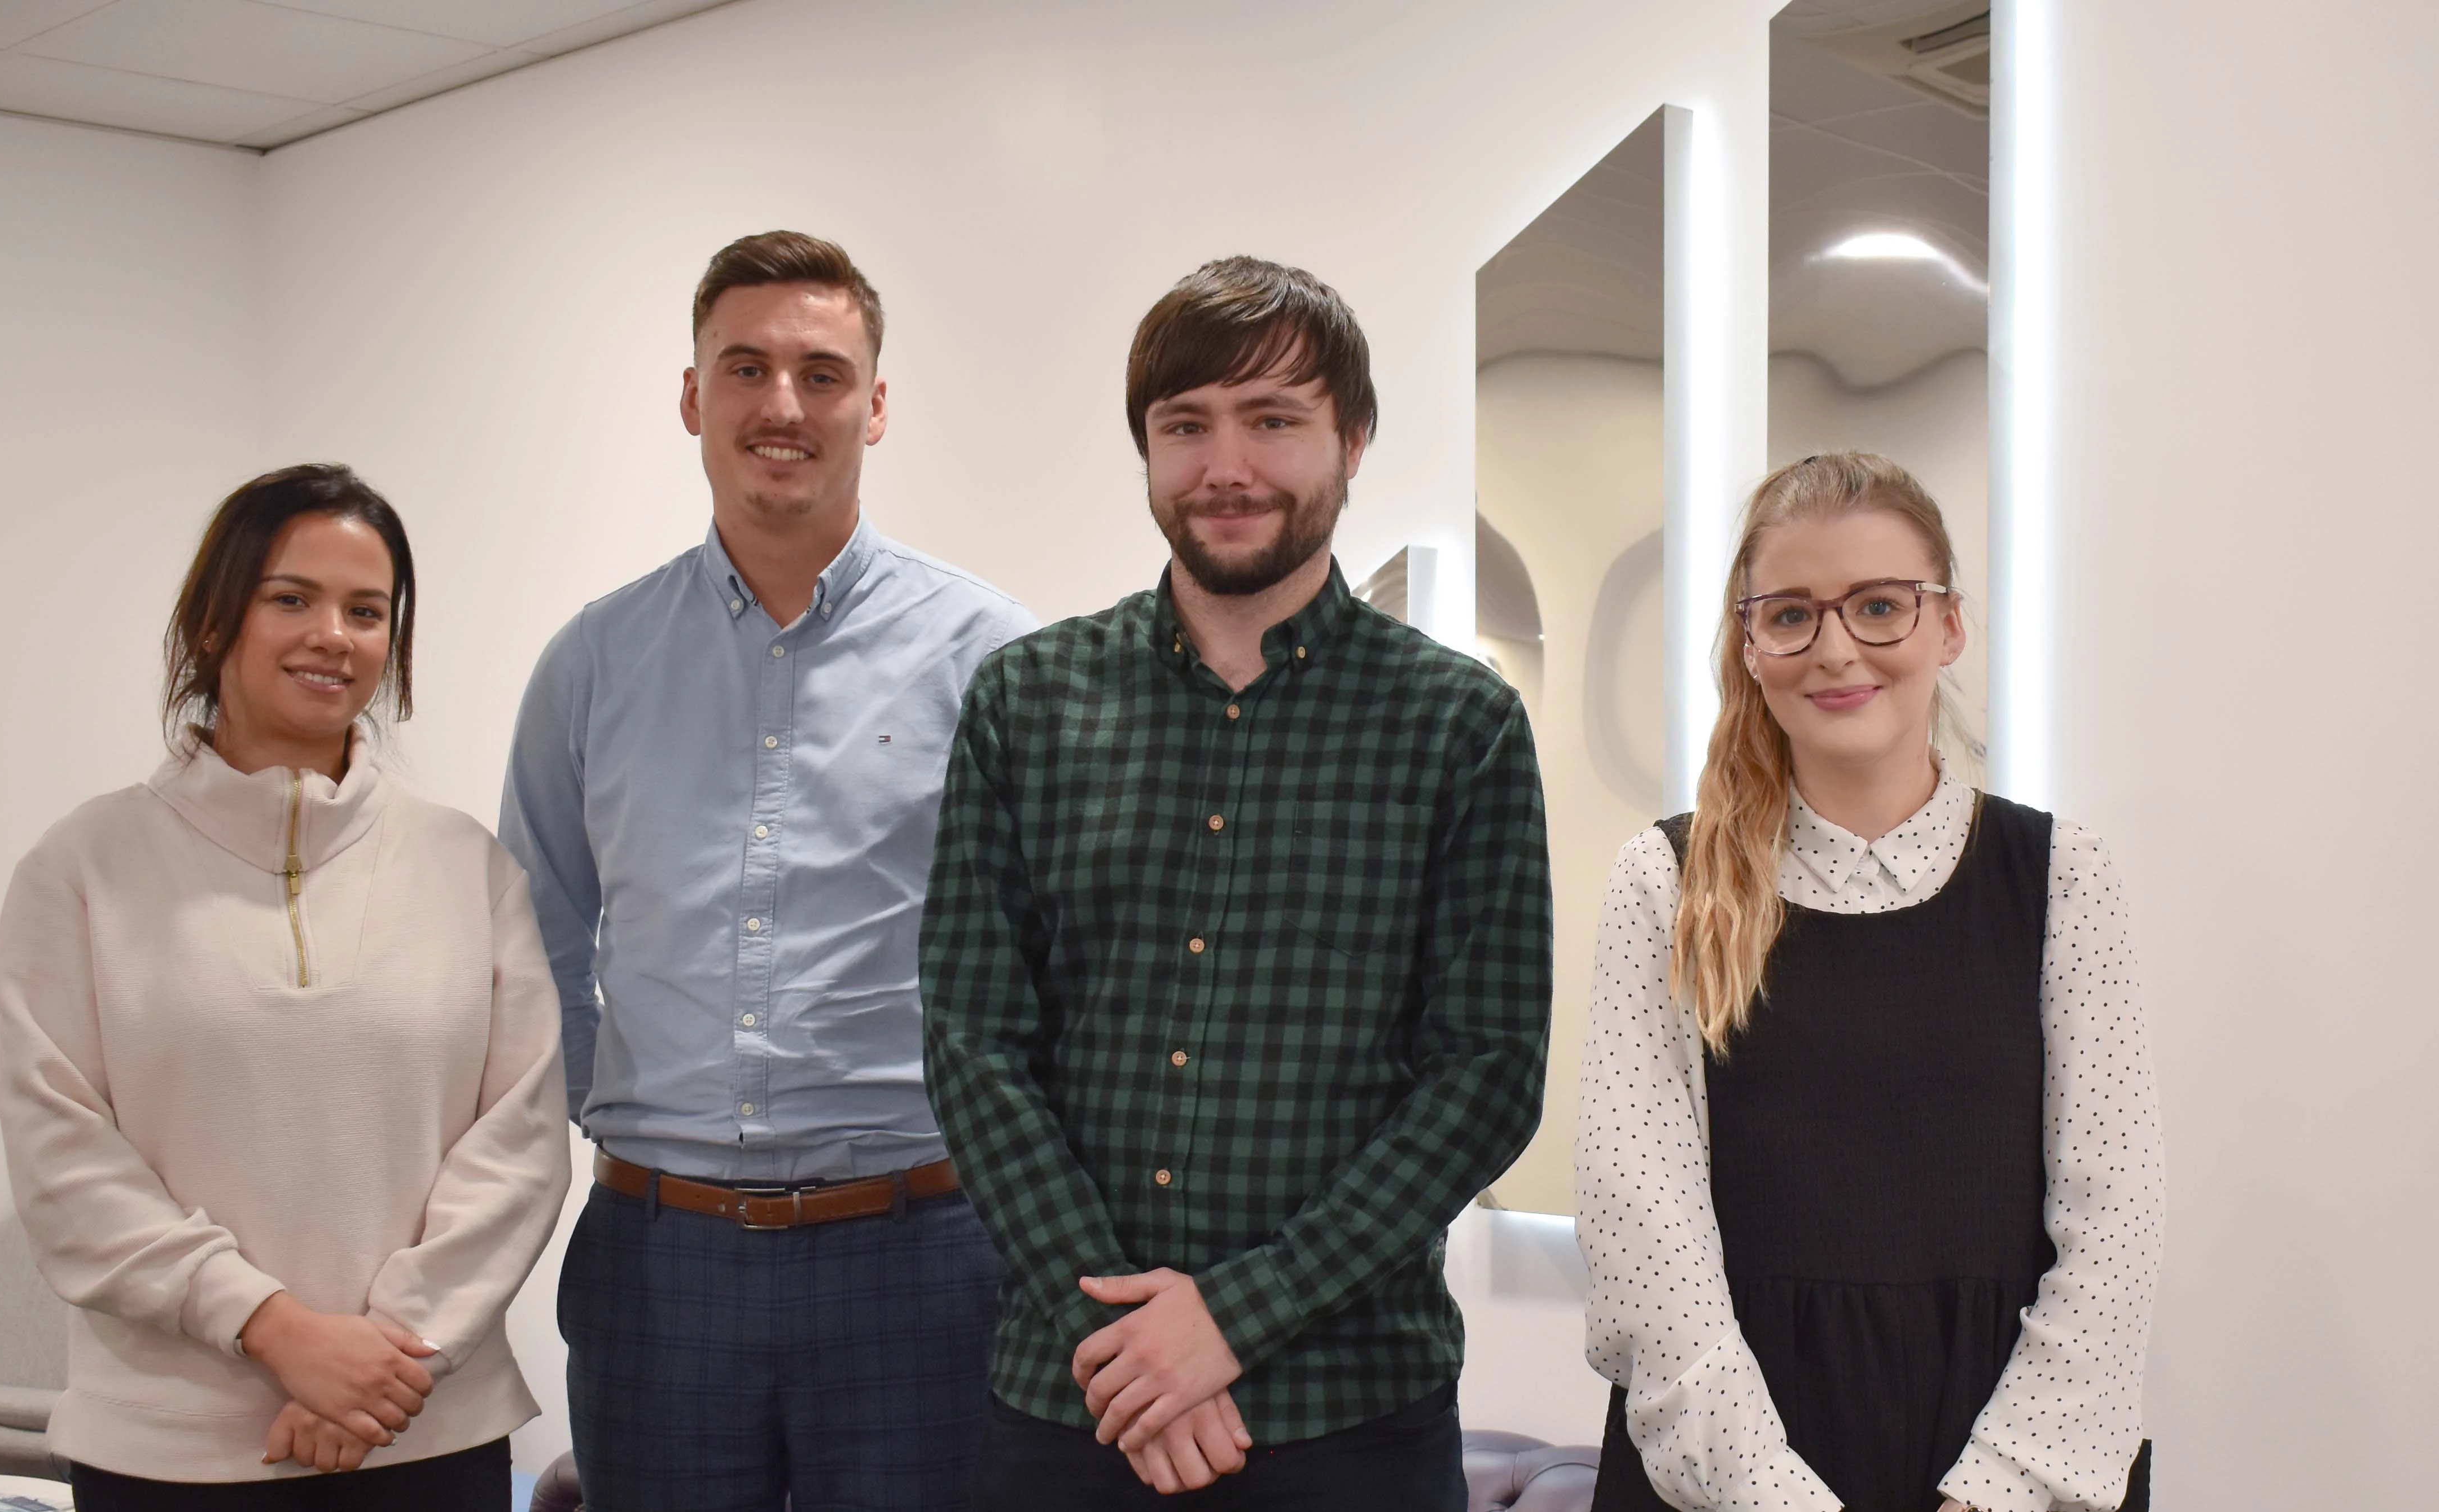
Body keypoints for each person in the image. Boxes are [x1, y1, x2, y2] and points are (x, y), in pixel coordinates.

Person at [922, 255, 1553, 1510]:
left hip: (1348, 1411)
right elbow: (973, 1043)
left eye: (1273, 420)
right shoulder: (1028, 701)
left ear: (1352, 439)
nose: (1227, 466)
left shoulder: (1455, 724)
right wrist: (1126, 1342)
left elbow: (1484, 1077)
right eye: (1185, 425)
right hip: (1069, 1401)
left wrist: (1228, 1320)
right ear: (1145, 449)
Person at [500, 230, 1039, 1511]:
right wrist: (638, 1136)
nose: (781, 406)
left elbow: (1060, 958)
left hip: (921, 1255)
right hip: (657, 1262)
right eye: (744, 368)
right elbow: (531, 952)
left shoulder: (994, 657)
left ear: (876, 403)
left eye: (821, 372)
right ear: (693, 398)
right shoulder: (592, 664)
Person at [1575, 453, 2165, 1512]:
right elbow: (1641, 1238)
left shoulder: (2065, 876)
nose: (1836, 647)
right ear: (1749, 644)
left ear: (1948, 627)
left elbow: (2114, 1225)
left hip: (2012, 1461)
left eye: (1879, 606)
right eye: (1792, 613)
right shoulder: (1659, 882)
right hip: (1727, 1466)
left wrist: (1993, 1493)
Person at [0, 463, 571, 1510]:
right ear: (216, 618)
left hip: (422, 1429)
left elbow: (520, 1141)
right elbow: (62, 1156)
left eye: (367, 611)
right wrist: (274, 1326)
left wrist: (385, 1360)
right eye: (291, 598)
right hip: (167, 1449)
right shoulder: (83, 866)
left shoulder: (466, 866)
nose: (333, 636)